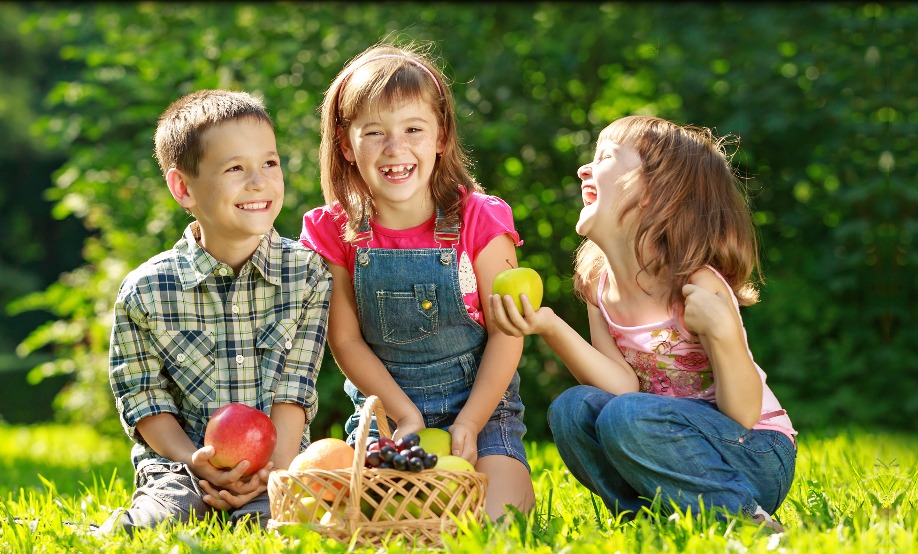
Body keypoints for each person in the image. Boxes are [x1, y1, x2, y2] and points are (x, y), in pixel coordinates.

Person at [488, 115, 797, 532]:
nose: (583, 169)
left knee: (625, 416)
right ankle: (649, 520)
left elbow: (742, 413)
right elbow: (621, 387)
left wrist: (724, 333)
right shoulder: (598, 285)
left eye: (604, 157)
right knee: (572, 409)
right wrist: (549, 325)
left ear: (654, 191)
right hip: (654, 440)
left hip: (753, 453)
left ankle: (744, 518)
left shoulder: (695, 282)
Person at [299, 41, 534, 520]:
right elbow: (345, 340)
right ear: (346, 144)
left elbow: (508, 334)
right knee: (385, 524)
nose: (395, 149)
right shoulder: (336, 231)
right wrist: (403, 416)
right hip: (387, 418)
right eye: (374, 133)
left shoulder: (479, 220)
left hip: (483, 412)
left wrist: (469, 421)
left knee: (494, 521)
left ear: (441, 136)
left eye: (413, 129)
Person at [101, 90, 333, 534]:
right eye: (234, 168)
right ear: (183, 188)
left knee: (279, 526)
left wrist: (273, 471)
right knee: (166, 519)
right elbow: (145, 401)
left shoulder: (307, 275)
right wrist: (195, 460)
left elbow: (294, 391)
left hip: (277, 463)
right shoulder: (146, 292)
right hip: (180, 467)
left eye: (270, 163)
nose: (259, 181)